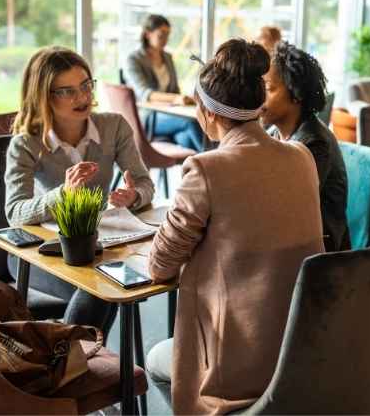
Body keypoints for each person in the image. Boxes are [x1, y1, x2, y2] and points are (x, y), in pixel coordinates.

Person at [145, 38, 324, 414]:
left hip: (240, 365)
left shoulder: (206, 169)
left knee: (156, 361)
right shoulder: (302, 156)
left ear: (208, 113)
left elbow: (159, 265)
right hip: (302, 352)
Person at [5, 46, 154, 336]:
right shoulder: (25, 144)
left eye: (86, 85)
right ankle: (73, 359)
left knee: (109, 280)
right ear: (44, 96)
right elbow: (14, 213)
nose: (83, 97)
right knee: (100, 286)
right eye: (68, 91)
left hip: (98, 246)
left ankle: (73, 363)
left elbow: (145, 184)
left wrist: (132, 196)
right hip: (38, 253)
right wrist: (65, 193)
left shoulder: (113, 127)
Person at [260, 41, 349, 252]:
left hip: (320, 255)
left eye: (269, 89)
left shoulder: (315, 144)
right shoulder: (275, 134)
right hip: (293, 240)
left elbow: (286, 206)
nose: (260, 98)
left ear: (296, 94)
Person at [122, 14, 204, 152]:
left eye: (168, 35)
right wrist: (177, 99)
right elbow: (145, 94)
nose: (166, 39)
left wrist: (185, 98)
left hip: (170, 114)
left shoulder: (167, 57)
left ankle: (206, 167)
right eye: (161, 35)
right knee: (191, 122)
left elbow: (174, 89)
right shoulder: (134, 59)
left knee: (186, 138)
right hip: (147, 117)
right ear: (148, 34)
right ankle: (216, 164)